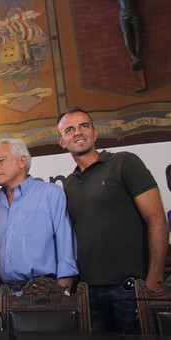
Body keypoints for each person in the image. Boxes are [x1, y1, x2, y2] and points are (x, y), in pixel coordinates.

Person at [57, 107, 169, 334]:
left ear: (95, 133)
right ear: (62, 142)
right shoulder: (67, 184)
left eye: (84, 126)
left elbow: (157, 220)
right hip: (86, 292)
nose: (78, 132)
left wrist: (154, 283)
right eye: (70, 130)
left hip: (131, 289)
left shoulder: (124, 162)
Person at [0, 138, 79, 323]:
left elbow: (65, 244)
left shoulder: (51, 194)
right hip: (5, 297)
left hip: (45, 294)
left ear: (22, 161)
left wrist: (62, 294)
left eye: (0, 160)